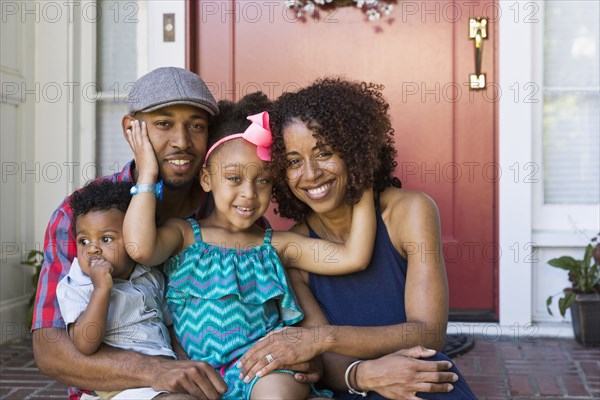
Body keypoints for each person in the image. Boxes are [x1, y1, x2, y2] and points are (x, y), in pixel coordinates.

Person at [122, 92, 377, 400]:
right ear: (206, 178)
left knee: (276, 395)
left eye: (263, 181)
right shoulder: (183, 235)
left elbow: (353, 257)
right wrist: (147, 173)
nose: (249, 194)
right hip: (199, 375)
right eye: (233, 178)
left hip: (264, 370)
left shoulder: (277, 245)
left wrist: (361, 174)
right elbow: (138, 247)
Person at [237, 78, 478, 399]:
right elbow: (323, 364)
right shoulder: (295, 249)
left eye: (323, 152)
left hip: (419, 378)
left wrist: (322, 338)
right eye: (294, 161)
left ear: (353, 151)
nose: (310, 173)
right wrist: (364, 375)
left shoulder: (409, 211)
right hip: (355, 388)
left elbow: (428, 333)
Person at [32, 67, 230, 399]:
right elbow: (50, 349)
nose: (181, 141)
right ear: (131, 129)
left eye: (196, 126)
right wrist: (156, 371)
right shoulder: (82, 218)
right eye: (163, 124)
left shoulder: (228, 213)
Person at [57, 180, 182, 399]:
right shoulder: (77, 285)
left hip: (163, 372)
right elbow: (84, 344)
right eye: (83, 241)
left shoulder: (150, 275)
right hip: (120, 383)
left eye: (106, 239)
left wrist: (185, 361)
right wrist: (101, 291)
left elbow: (168, 325)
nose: (93, 248)